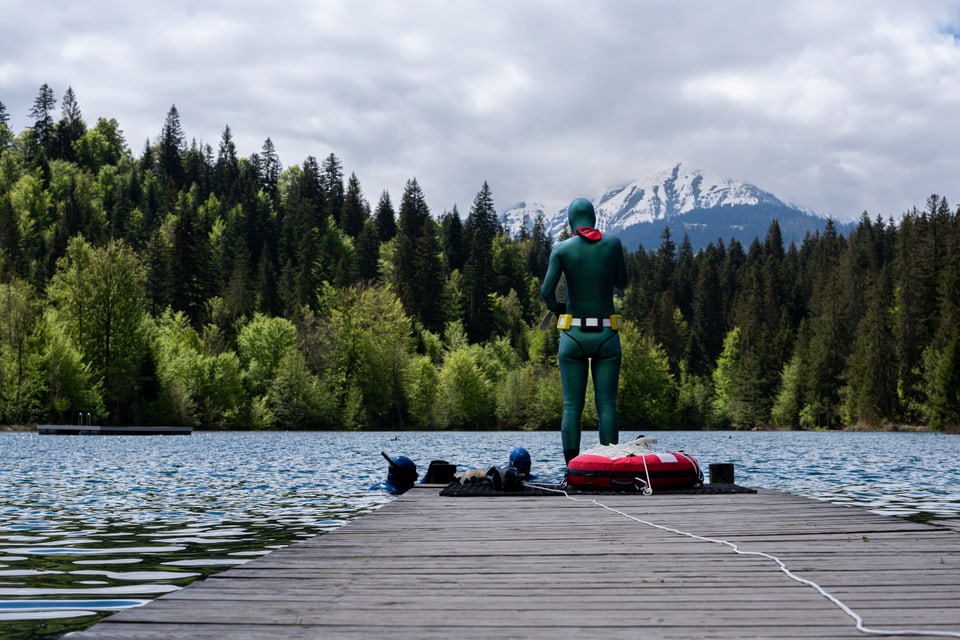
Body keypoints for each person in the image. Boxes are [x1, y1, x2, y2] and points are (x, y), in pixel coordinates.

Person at [540, 198, 627, 464]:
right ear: (594, 219)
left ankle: (572, 468)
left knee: (570, 407)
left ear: (570, 221)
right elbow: (622, 283)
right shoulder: (612, 245)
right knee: (607, 406)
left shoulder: (561, 249)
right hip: (606, 336)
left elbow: (546, 293)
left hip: (573, 336)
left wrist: (559, 307)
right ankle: (609, 466)